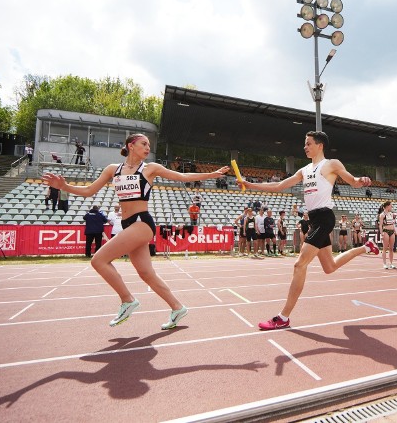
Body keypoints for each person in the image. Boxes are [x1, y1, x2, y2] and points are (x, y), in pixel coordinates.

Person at [42, 133, 229, 329]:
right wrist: (64, 187)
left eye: (149, 145)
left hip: (142, 222)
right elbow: (89, 191)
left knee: (98, 260)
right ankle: (177, 307)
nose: (148, 148)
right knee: (146, 274)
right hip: (127, 224)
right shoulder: (113, 170)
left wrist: (211, 174)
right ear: (131, 145)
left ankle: (127, 300)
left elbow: (182, 176)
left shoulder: (150, 169)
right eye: (143, 144)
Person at [238, 130, 379, 330]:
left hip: (324, 218)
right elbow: (279, 185)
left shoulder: (331, 164)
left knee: (299, 264)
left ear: (320, 145)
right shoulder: (304, 170)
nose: (305, 147)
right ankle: (366, 247)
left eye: (308, 143)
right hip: (314, 221)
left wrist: (361, 180)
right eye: (304, 144)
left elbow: (353, 181)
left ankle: (283, 317)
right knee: (329, 267)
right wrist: (250, 184)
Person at [378, 201, 396, 269]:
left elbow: (393, 224)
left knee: (391, 248)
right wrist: (381, 233)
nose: (392, 207)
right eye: (391, 205)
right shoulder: (382, 215)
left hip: (392, 231)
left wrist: (395, 231)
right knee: (385, 248)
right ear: (387, 206)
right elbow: (380, 225)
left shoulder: (391, 214)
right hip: (386, 231)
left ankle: (391, 263)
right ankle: (384, 263)